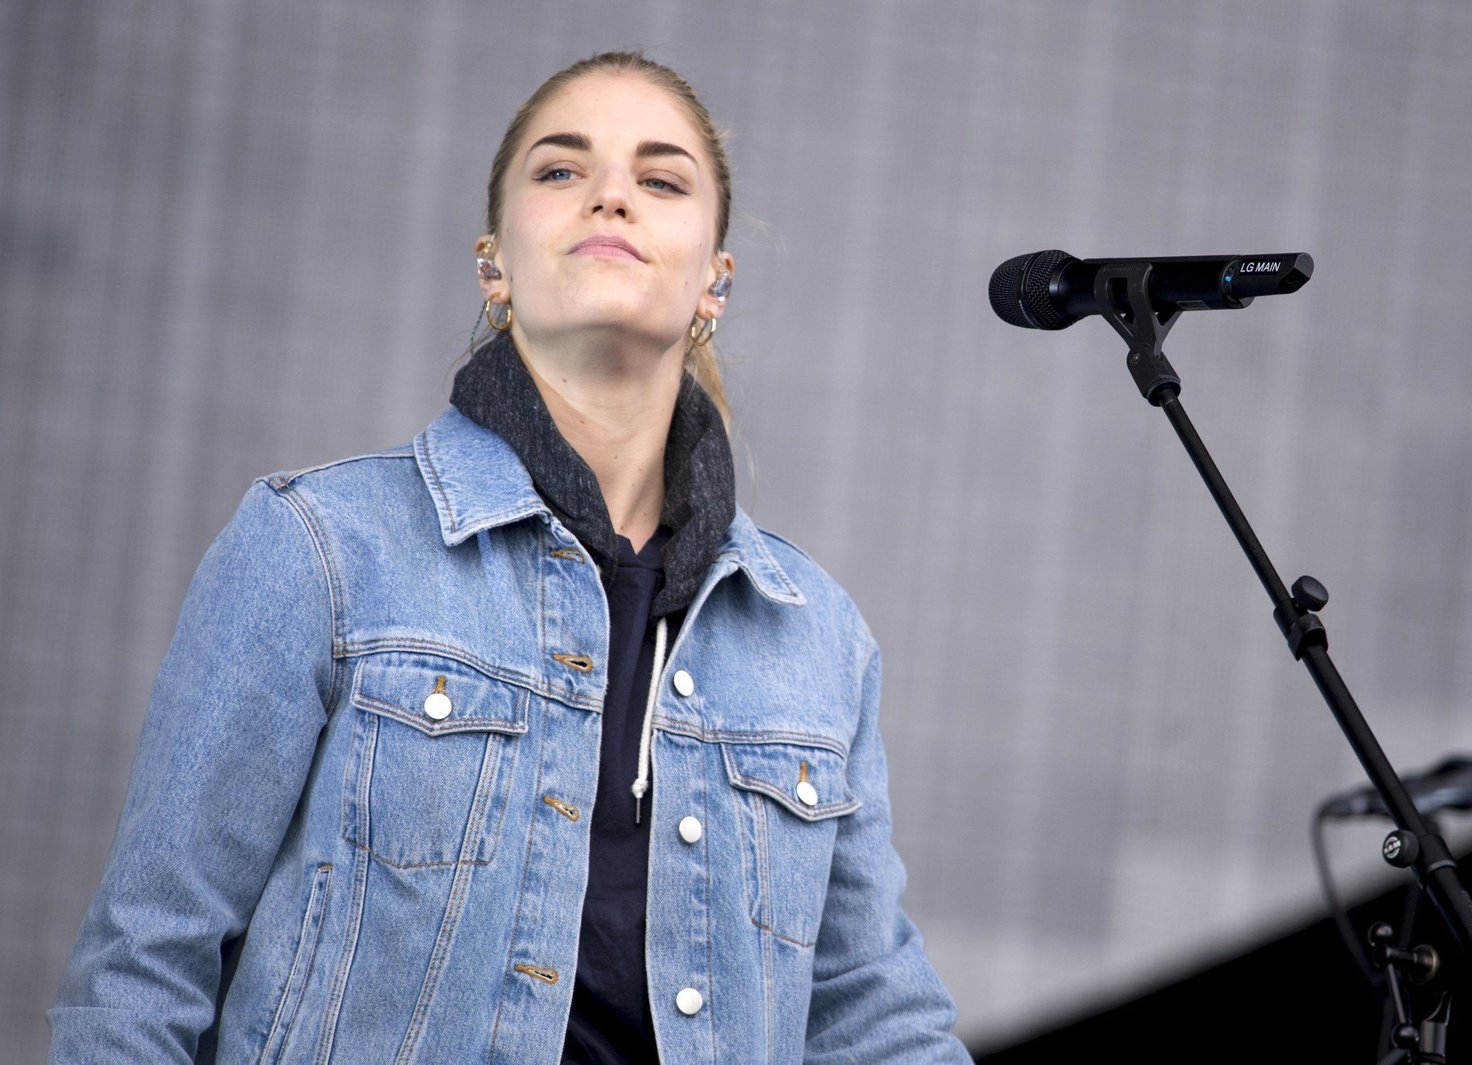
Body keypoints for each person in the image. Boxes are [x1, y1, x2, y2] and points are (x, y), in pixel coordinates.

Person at [48, 50, 971, 1064]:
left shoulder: (820, 642)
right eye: (561, 171)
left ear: (715, 280)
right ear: (494, 263)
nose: (611, 196)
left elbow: (875, 1019)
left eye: (660, 181)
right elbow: (142, 970)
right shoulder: (317, 546)